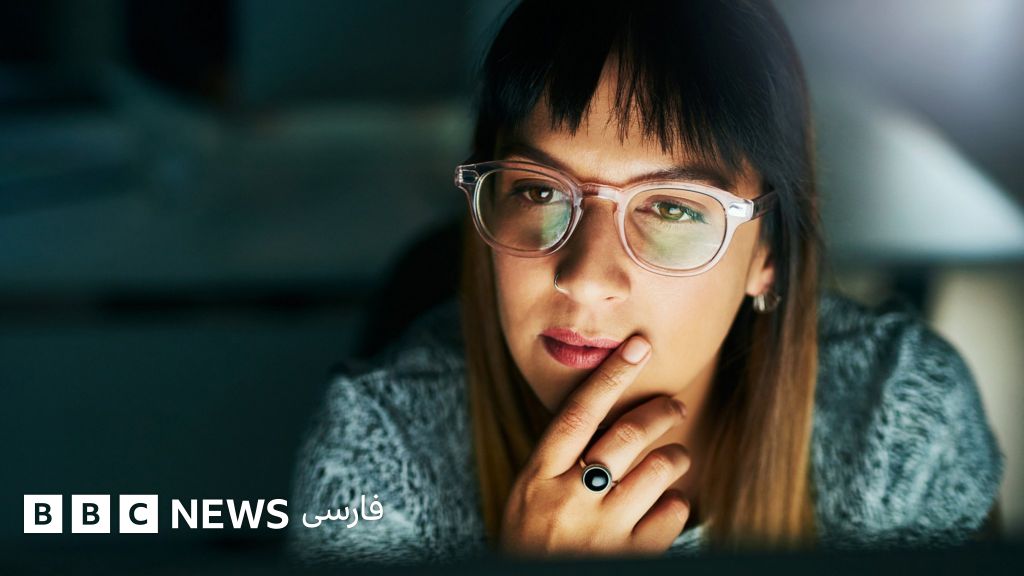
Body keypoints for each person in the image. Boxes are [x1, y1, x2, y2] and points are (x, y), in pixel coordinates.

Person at [288, 0, 1005, 565]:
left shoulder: (899, 423)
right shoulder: (378, 458)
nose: (585, 279)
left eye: (671, 208)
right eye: (538, 191)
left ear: (770, 252)